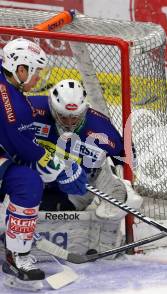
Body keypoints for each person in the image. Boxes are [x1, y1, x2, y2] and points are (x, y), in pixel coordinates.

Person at [0, 38, 87, 290]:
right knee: (28, 180)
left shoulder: (11, 88)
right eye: (35, 71)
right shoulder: (12, 102)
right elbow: (21, 145)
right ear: (20, 69)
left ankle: (18, 254)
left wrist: (47, 163)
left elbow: (20, 147)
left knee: (27, 183)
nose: (39, 78)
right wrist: (56, 166)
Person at [28, 79, 142, 253]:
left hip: (75, 189)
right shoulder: (32, 109)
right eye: (63, 116)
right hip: (33, 175)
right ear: (52, 106)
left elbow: (127, 158)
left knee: (44, 213)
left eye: (75, 117)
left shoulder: (100, 128)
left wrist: (127, 184)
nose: (69, 122)